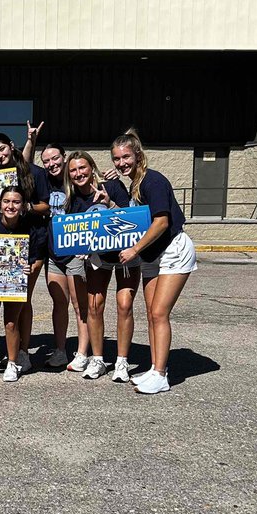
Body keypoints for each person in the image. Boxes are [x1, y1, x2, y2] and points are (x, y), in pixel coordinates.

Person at [109, 130, 198, 394]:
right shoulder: (135, 183)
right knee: (151, 313)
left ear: (138, 155)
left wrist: (134, 250)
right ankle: (156, 367)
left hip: (172, 250)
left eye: (125, 157)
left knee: (159, 312)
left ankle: (161, 375)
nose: (121, 162)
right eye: (116, 158)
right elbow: (130, 216)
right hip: (153, 255)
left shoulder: (153, 180)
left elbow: (162, 221)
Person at [61, 151, 137, 382]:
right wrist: (79, 247)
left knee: (124, 305)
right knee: (95, 305)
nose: (78, 173)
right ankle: (98, 359)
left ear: (92, 167)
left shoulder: (112, 186)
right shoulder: (73, 201)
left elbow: (132, 220)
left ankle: (122, 361)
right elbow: (75, 234)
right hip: (98, 258)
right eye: (73, 170)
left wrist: (110, 203)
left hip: (125, 255)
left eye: (82, 168)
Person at [0, 132, 50, 373]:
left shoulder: (34, 172)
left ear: (11, 147)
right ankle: (6, 349)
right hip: (1, 243)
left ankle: (23, 351)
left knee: (23, 298)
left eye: (2, 149)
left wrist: (26, 206)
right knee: (2, 299)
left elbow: (45, 206)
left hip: (31, 240)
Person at [0, 185, 47, 382]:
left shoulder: (30, 227)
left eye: (16, 202)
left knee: (11, 323)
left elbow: (34, 259)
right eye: (6, 201)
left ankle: (12, 364)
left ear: (23, 206)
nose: (10, 206)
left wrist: (28, 268)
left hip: (16, 281)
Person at [38, 142, 80, 370]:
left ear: (64, 157)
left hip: (76, 251)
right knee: (59, 302)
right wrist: (30, 142)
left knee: (78, 304)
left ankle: (83, 351)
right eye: (46, 161)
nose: (52, 163)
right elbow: (22, 166)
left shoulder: (75, 177)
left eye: (55, 158)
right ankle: (61, 350)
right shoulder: (43, 180)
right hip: (53, 252)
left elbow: (96, 180)